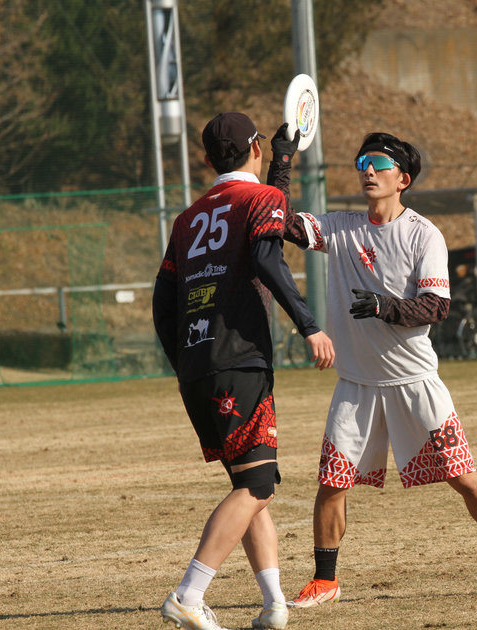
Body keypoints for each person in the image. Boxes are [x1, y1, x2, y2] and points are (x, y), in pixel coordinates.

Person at [270, 131, 477, 608]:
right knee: (332, 483)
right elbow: (280, 221)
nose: (368, 171)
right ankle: (325, 580)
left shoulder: (423, 233)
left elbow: (436, 306)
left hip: (416, 383)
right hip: (356, 385)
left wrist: (384, 306)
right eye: (362, 163)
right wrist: (283, 160)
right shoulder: (340, 226)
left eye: (378, 164)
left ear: (403, 180)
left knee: (463, 476)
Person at [152, 112, 335, 630]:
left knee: (250, 482)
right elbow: (268, 257)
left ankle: (273, 604)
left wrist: (187, 362)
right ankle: (188, 595)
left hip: (197, 368)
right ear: (255, 148)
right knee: (257, 486)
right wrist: (310, 325)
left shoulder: (187, 219)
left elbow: (162, 305)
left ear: (208, 160)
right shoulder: (260, 200)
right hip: (239, 362)